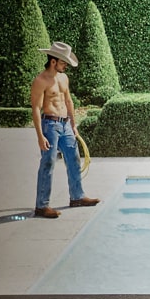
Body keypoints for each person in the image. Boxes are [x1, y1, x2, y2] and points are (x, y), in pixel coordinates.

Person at [29, 39, 99, 220]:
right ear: (53, 61)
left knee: (74, 159)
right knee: (48, 163)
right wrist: (39, 135)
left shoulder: (63, 78)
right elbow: (36, 108)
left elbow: (68, 101)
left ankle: (77, 197)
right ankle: (42, 206)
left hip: (65, 124)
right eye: (63, 62)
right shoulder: (40, 80)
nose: (65, 65)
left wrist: (73, 125)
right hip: (50, 125)